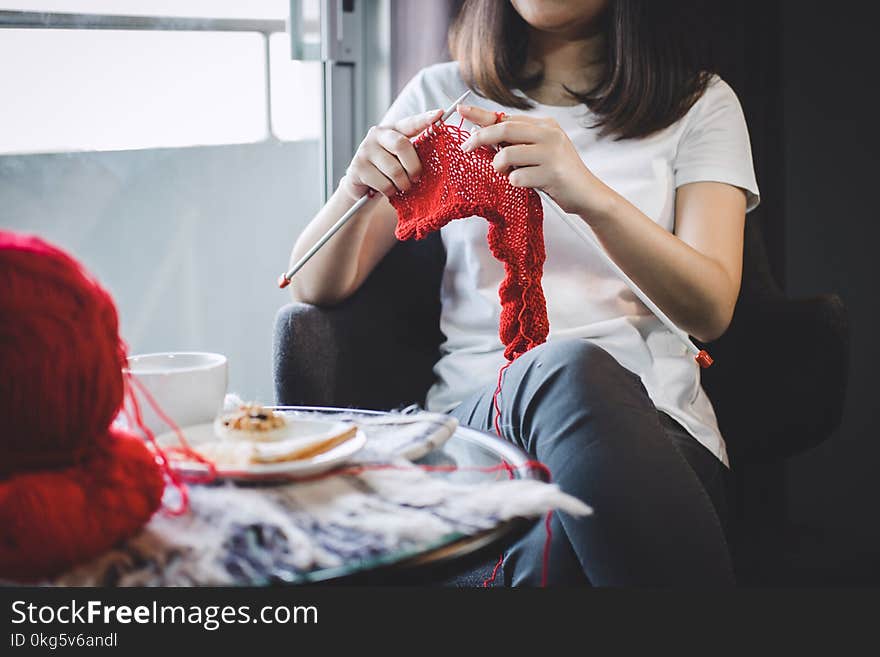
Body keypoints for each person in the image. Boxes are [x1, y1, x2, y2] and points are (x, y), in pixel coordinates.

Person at [288, 0, 759, 587]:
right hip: (481, 428)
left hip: (653, 431)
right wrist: (356, 189)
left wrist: (588, 194)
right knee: (563, 373)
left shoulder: (699, 103)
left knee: (563, 523)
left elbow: (711, 310)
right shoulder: (441, 92)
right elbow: (313, 283)